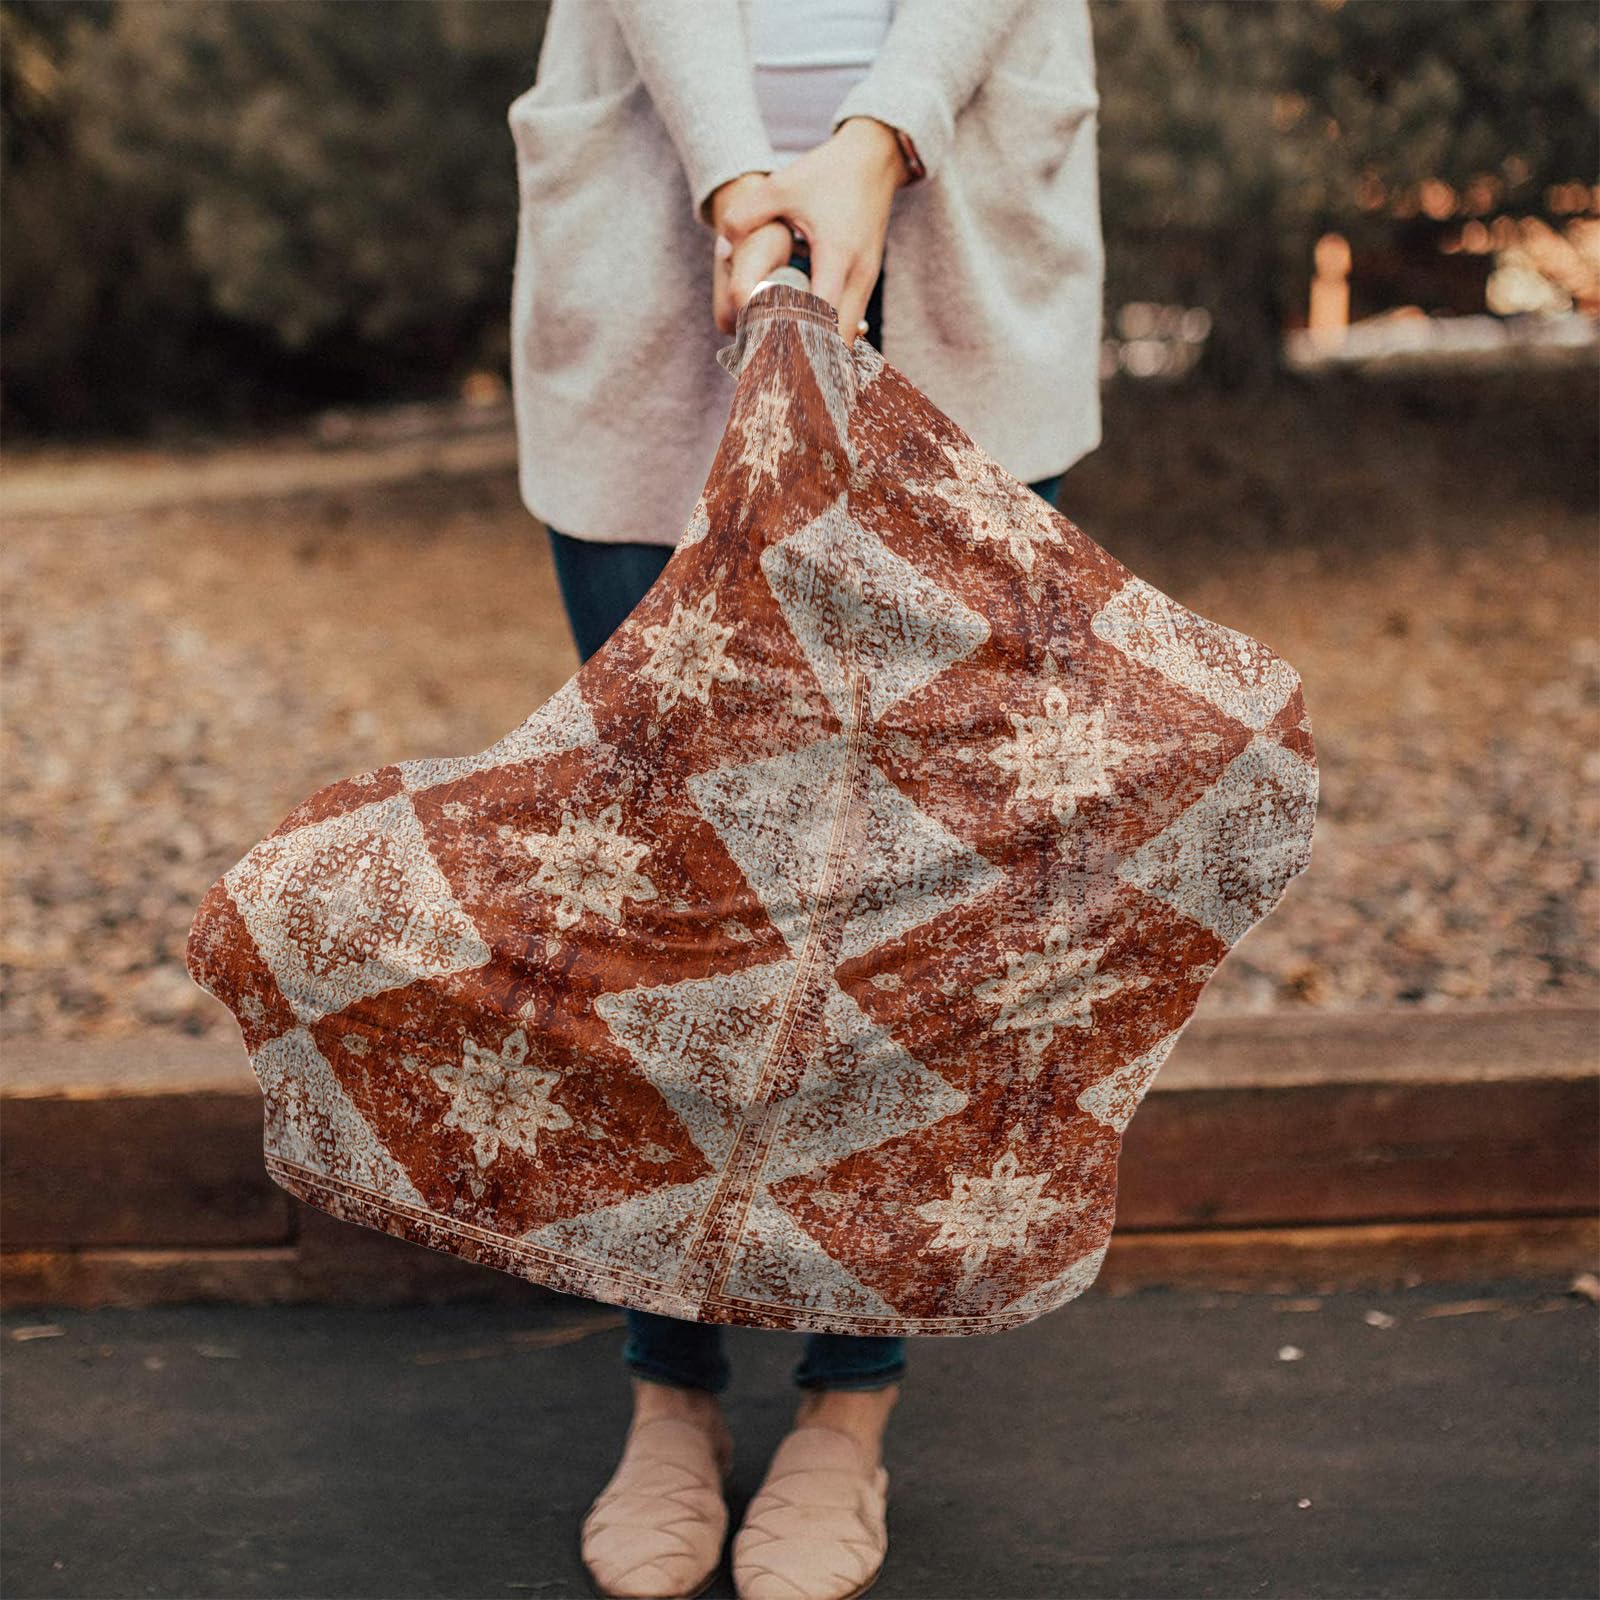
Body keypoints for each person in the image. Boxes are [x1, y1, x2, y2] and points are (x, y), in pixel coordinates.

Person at [506, 3, 1103, 1596]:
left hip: (956, 220)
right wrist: (734, 177)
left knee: (901, 895)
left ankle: (849, 1405)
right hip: (658, 218)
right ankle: (670, 1388)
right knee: (671, 882)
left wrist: (877, 135)